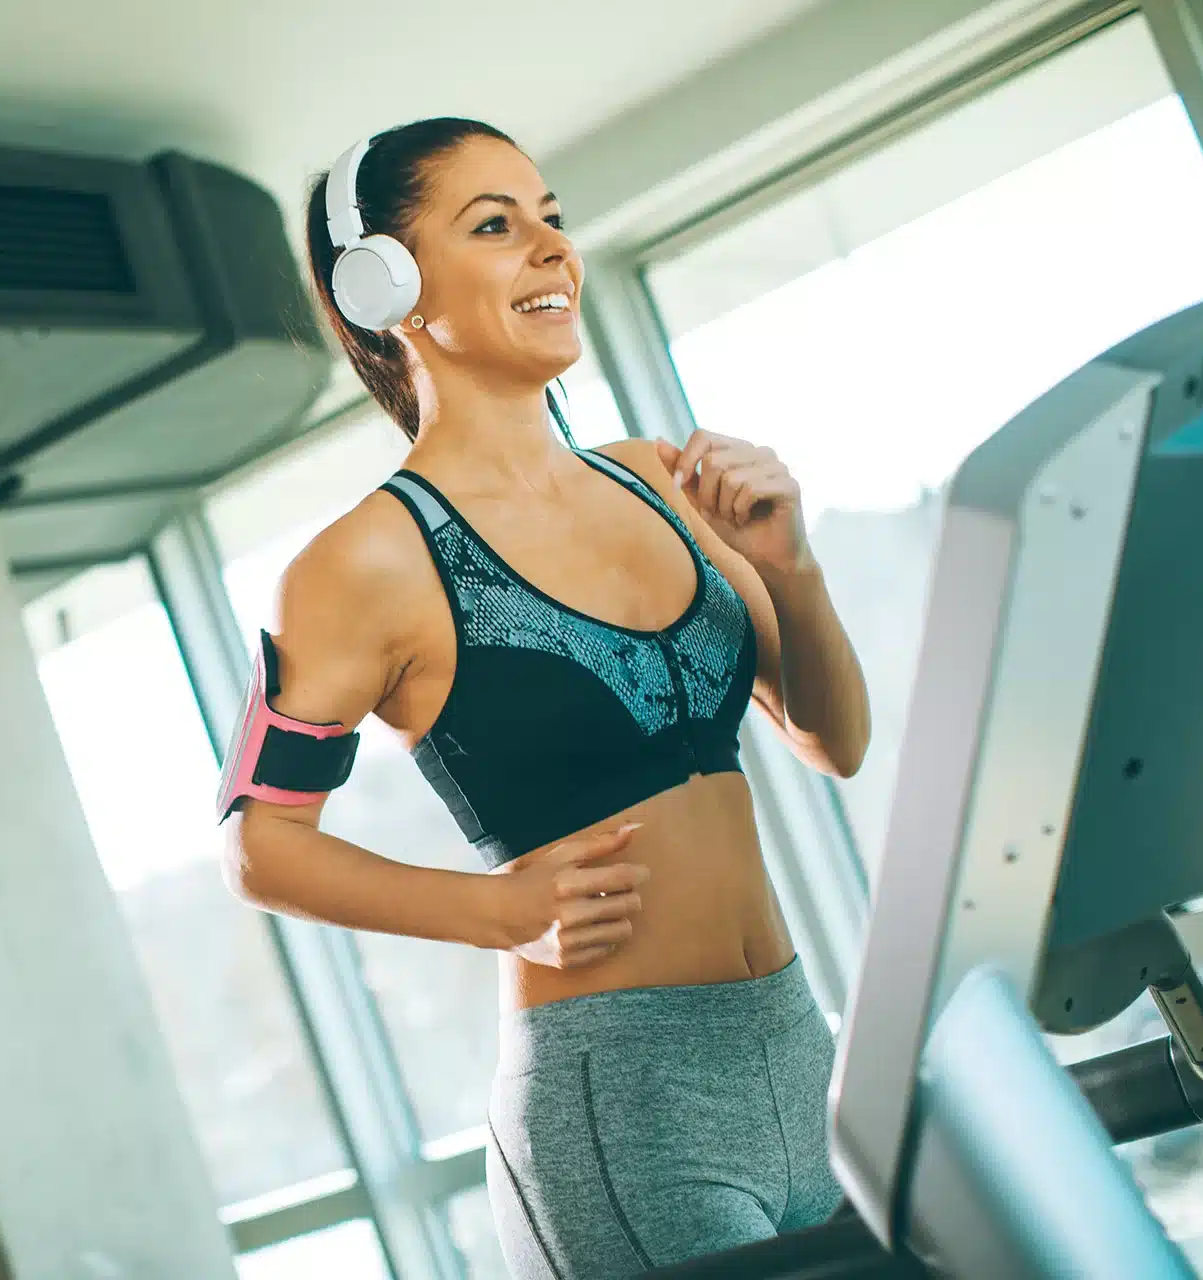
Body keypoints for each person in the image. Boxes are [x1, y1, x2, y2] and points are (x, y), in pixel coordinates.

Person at [217, 117, 872, 1278]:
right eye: (494, 224)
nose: (551, 247)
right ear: (386, 286)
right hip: (620, 1105)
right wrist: (498, 908)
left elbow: (834, 739)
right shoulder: (361, 563)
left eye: (552, 217)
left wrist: (792, 569)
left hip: (798, 1045)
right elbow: (261, 845)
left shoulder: (661, 478)